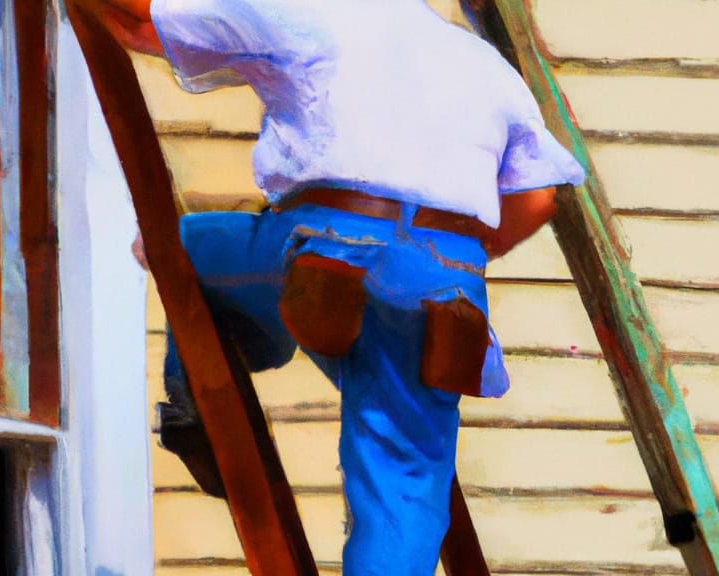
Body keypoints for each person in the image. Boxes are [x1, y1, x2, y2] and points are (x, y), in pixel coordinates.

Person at [89, 1, 584, 573]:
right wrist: (443, 253)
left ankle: (206, 397)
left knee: (176, 246)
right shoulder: (483, 61)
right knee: (403, 483)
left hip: (328, 234)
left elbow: (136, 20)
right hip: (443, 277)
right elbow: (537, 197)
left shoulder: (306, 10)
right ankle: (293, 321)